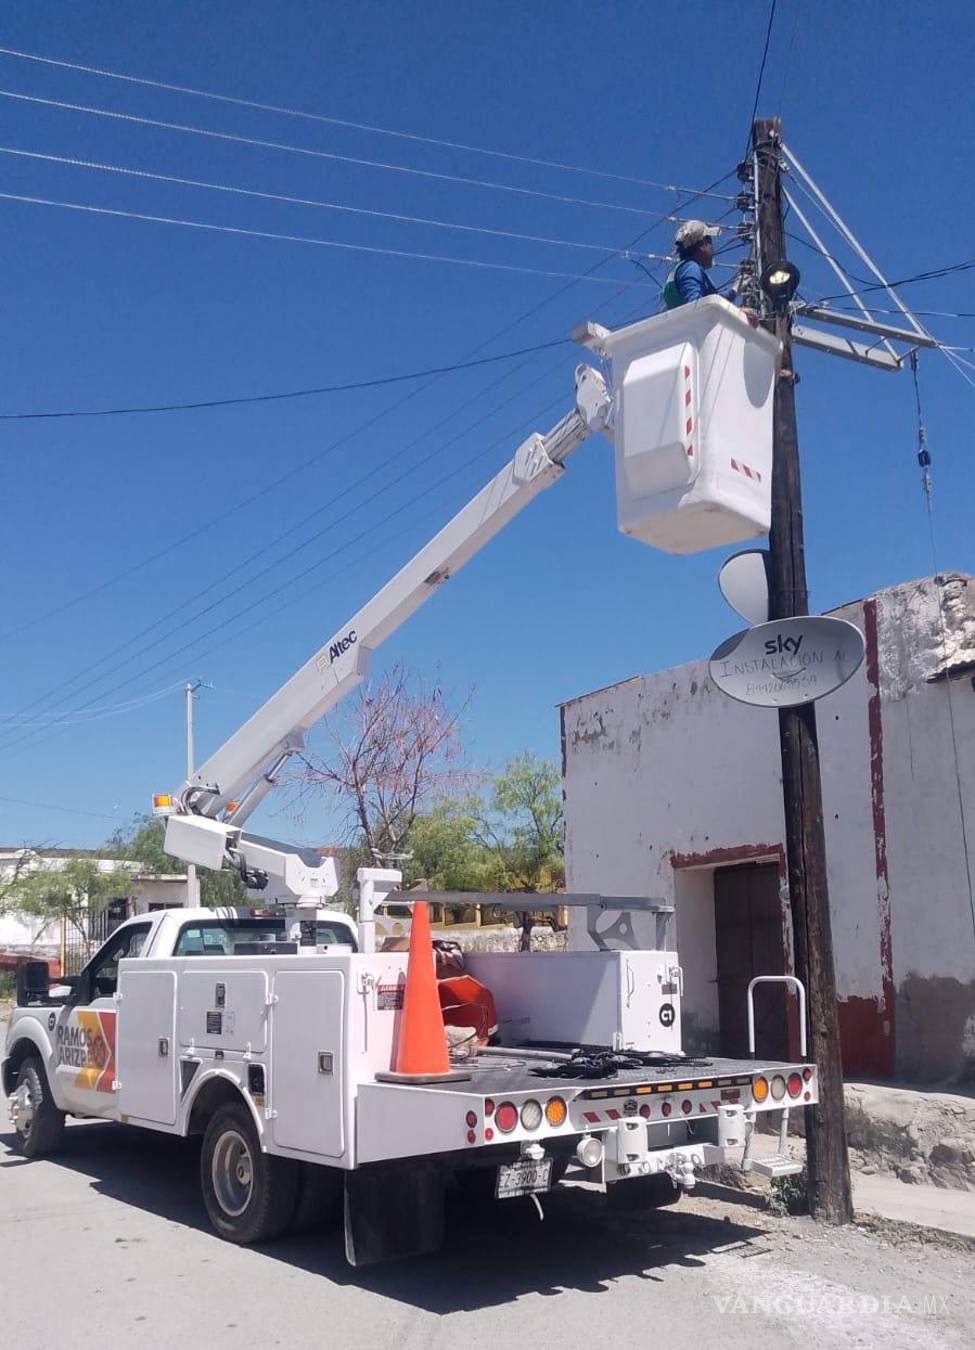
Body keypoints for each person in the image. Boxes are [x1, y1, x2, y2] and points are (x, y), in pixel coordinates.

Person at [663, 220, 757, 323]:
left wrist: (735, 290)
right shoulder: (691, 269)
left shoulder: (681, 269)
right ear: (702, 245)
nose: (713, 248)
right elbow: (695, 307)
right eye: (710, 243)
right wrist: (737, 313)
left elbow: (712, 301)